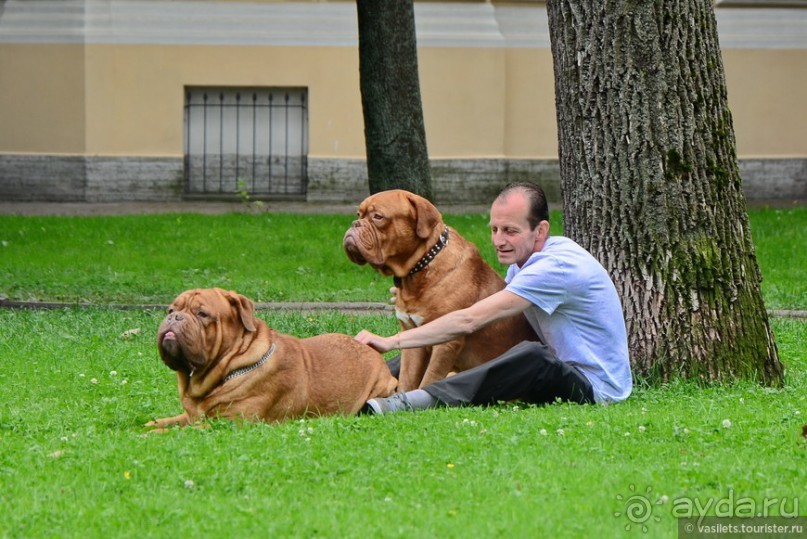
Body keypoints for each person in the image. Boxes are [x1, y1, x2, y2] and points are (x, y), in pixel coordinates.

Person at [354, 182, 632, 415]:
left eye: (510, 231)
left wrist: (391, 341)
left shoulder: (555, 267)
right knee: (438, 337)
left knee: (533, 356)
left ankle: (417, 401)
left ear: (541, 231)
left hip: (593, 387)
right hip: (559, 369)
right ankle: (368, 386)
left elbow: (469, 318)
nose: (499, 240)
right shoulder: (523, 263)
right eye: (494, 229)